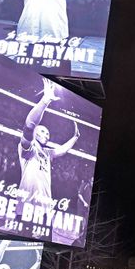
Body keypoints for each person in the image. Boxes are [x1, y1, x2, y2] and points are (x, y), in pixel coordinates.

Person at [18, 78, 80, 206]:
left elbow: (62, 150)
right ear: (35, 133)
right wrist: (45, 101)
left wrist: (75, 137)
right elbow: (29, 125)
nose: (46, 135)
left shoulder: (47, 152)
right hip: (26, 204)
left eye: (48, 134)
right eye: (43, 131)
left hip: (45, 205)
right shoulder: (30, 147)